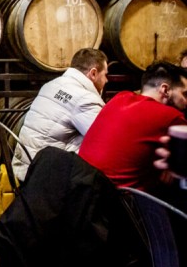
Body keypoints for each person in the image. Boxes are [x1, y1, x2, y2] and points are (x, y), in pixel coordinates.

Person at [79, 61, 187, 194]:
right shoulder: (172, 116)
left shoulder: (119, 97)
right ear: (165, 90)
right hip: (120, 202)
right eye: (185, 94)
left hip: (82, 191)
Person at [12, 48, 108, 182]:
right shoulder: (85, 99)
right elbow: (106, 141)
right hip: (45, 179)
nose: (106, 80)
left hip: (24, 166)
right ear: (93, 73)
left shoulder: (51, 85)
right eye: (105, 75)